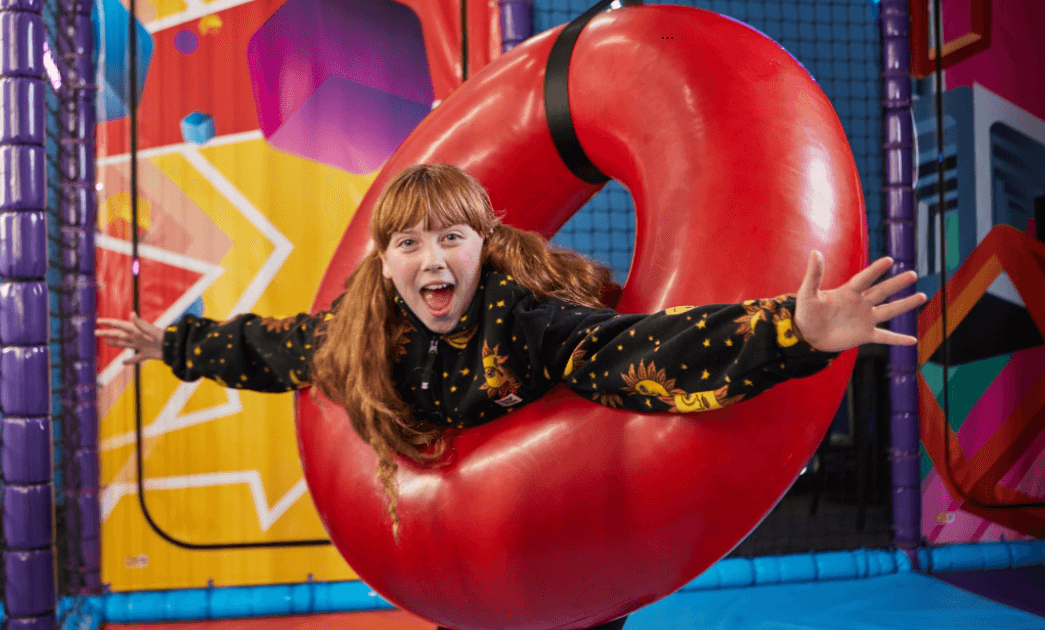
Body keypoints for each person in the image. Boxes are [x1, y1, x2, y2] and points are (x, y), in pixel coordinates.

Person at [96, 163, 927, 630]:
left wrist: (792, 330)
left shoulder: (520, 320)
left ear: (482, 246)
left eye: (451, 238)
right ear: (384, 262)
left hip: (568, 547)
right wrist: (172, 345)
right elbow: (270, 346)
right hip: (463, 562)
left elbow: (631, 351)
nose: (432, 260)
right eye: (409, 243)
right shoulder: (363, 334)